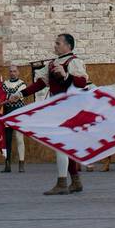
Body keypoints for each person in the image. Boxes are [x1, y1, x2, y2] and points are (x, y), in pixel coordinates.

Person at [22, 33, 89, 195]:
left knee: (61, 145)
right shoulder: (52, 64)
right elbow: (40, 83)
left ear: (68, 46)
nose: (55, 45)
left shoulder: (74, 62)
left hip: (69, 109)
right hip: (58, 108)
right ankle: (75, 181)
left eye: (58, 43)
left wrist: (66, 75)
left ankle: (62, 183)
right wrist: (21, 94)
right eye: (56, 43)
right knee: (66, 146)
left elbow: (82, 82)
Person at [0, 63, 27, 173]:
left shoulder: (22, 84)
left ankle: (21, 163)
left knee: (19, 139)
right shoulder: (5, 84)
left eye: (14, 71)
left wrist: (9, 96)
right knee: (7, 139)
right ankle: (7, 164)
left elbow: (17, 97)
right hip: (7, 113)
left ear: (18, 72)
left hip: (18, 114)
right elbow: (1, 96)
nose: (12, 73)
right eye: (11, 71)